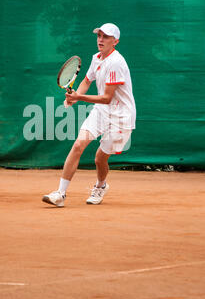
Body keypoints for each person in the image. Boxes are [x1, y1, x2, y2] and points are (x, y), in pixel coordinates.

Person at [42, 23, 136, 207]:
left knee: (100, 158)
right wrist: (74, 97)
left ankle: (101, 186)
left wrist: (80, 97)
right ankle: (60, 194)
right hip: (101, 112)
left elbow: (107, 97)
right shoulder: (96, 58)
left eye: (106, 37)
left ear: (115, 41)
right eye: (99, 35)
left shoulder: (116, 62)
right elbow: (86, 81)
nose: (101, 39)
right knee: (78, 144)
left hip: (121, 116)